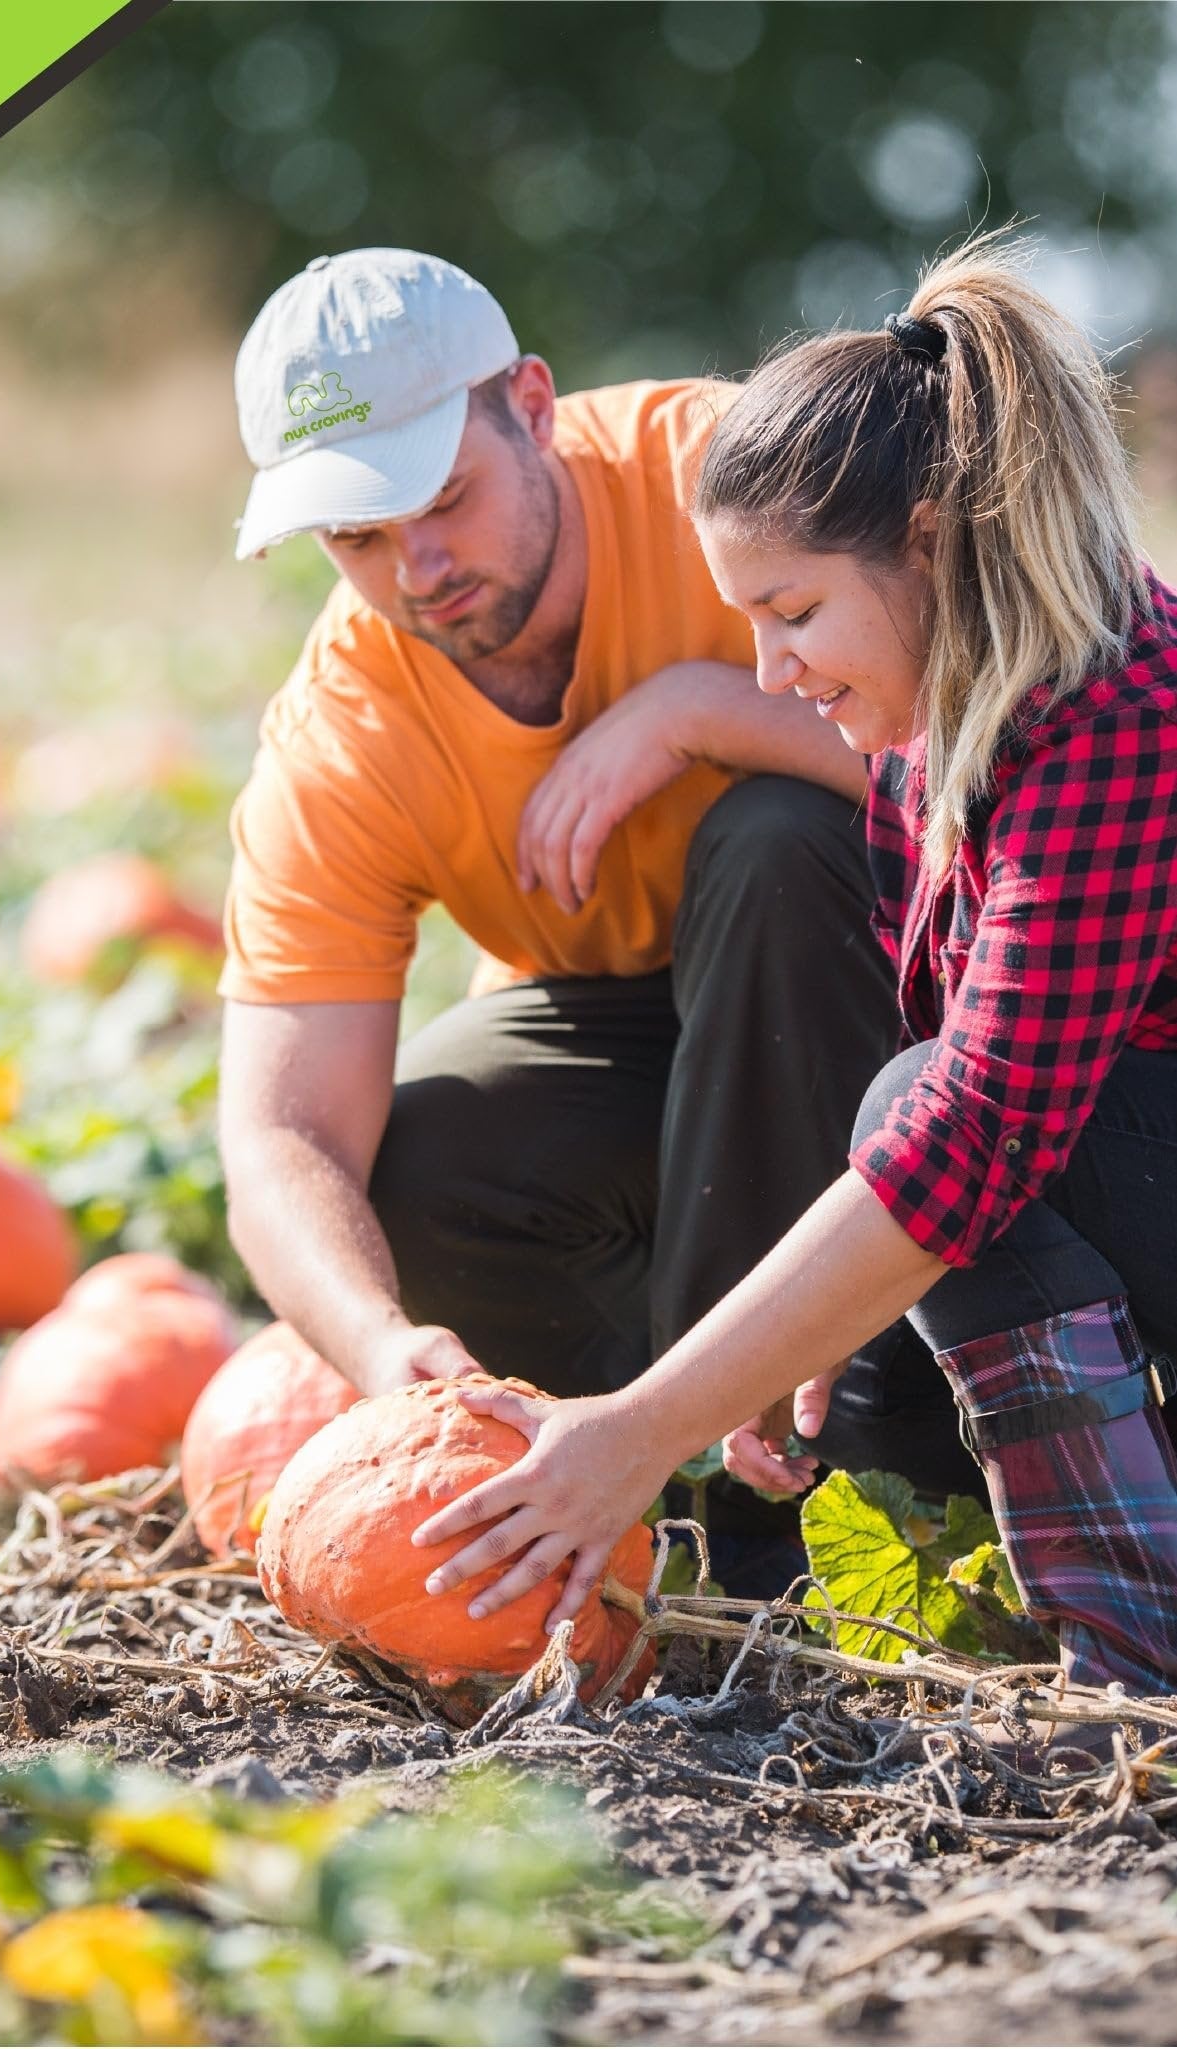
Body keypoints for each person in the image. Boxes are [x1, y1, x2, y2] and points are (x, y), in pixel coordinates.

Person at [412, 238, 1176, 1693]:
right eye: (747, 625)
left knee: (913, 1114)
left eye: (795, 615)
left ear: (933, 543)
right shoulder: (940, 731)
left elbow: (973, 1130)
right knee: (860, 1412)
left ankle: (1138, 1657)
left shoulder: (1119, 717)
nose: (771, 674)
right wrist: (786, 1347)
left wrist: (641, 1421)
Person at [215, 248, 968, 1537]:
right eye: (357, 536)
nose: (418, 566)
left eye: (444, 497)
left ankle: (838, 1489)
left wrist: (702, 709)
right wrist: (381, 1344)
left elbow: (1027, 749)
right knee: (423, 1169)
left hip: (919, 1013)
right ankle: (691, 1476)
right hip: (652, 1050)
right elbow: (284, 1137)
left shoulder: (745, 476)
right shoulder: (346, 731)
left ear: (532, 406)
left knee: (776, 842)